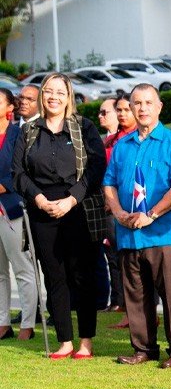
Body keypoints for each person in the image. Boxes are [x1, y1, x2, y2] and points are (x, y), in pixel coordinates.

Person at [13, 73, 106, 359]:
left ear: (69, 97)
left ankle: (86, 342)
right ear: (42, 96)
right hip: (42, 212)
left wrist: (71, 199)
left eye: (60, 92)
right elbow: (18, 173)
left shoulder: (83, 127)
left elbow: (96, 167)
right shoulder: (28, 131)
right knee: (55, 276)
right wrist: (39, 199)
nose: (53, 97)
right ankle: (65, 341)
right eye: (48, 92)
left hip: (78, 209)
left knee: (82, 276)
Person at [104, 84, 171, 368]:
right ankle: (144, 349)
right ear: (130, 107)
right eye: (136, 103)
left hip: (162, 234)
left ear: (159, 107)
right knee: (135, 294)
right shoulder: (122, 145)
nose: (142, 108)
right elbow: (109, 184)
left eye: (148, 102)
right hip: (128, 234)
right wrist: (118, 212)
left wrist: (151, 214)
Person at [0, 88, 37, 342]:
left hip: (11, 208)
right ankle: (2, 322)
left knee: (22, 267)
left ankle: (28, 323)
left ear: (9, 108)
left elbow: (21, 171)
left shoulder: (19, 134)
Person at [103, 96, 139, 323]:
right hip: (114, 209)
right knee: (121, 259)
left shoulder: (136, 138)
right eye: (119, 109)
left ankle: (139, 312)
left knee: (138, 261)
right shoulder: (113, 141)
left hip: (137, 208)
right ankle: (127, 308)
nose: (123, 113)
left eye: (127, 109)